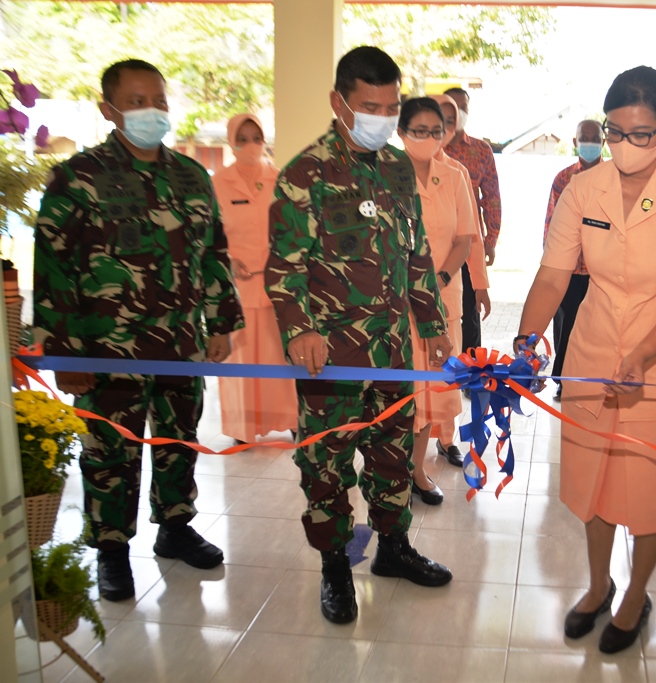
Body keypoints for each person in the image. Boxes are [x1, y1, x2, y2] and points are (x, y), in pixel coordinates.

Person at [517, 66, 656, 654]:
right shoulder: (585, 189)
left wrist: (643, 356)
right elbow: (555, 274)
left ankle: (635, 595)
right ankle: (598, 583)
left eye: (643, 134)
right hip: (594, 351)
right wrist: (529, 337)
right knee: (595, 478)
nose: (627, 146)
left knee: (651, 489)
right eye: (616, 132)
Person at [32, 59, 243, 602]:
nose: (152, 111)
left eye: (159, 100)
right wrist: (65, 354)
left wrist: (221, 321)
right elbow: (53, 268)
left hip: (179, 345)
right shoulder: (78, 177)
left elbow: (215, 253)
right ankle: (112, 550)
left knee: (178, 442)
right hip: (107, 349)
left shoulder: (190, 176)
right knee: (110, 452)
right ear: (109, 110)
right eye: (136, 101)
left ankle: (175, 527)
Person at [264, 46, 454, 626]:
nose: (382, 118)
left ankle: (393, 549)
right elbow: (284, 267)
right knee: (326, 465)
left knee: (393, 456)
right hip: (332, 360)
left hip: (394, 350)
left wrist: (432, 323)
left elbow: (416, 251)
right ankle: (334, 567)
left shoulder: (397, 166)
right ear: (339, 103)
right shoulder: (306, 173)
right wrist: (299, 331)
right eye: (370, 107)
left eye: (391, 107)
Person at [397, 97, 475, 504]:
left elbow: (464, 239)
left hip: (443, 300)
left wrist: (438, 278)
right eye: (418, 130)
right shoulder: (385, 175)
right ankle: (393, 471)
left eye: (436, 130)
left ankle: (417, 471)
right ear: (400, 131)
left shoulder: (454, 175)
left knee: (432, 387)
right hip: (395, 303)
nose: (429, 138)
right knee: (403, 387)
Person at [213, 113, 298, 445]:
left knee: (279, 356)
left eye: (256, 138)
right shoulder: (217, 182)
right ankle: (242, 428)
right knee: (242, 361)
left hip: (276, 284)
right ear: (231, 142)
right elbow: (209, 235)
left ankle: (290, 418)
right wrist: (229, 259)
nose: (250, 145)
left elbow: (293, 230)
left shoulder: (280, 179)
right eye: (242, 138)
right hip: (236, 287)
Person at [430, 93, 491, 468]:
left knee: (446, 368)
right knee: (410, 374)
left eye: (449, 123)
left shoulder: (458, 172)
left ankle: (446, 438)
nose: (442, 130)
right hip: (402, 296)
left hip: (448, 289)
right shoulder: (394, 170)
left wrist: (480, 283)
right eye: (436, 121)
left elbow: (471, 236)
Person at [543, 119, 605, 402]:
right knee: (566, 328)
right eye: (585, 138)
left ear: (604, 142)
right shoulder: (563, 178)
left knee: (597, 329)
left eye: (596, 137)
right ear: (575, 142)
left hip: (603, 272)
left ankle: (595, 381)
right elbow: (551, 224)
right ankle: (564, 381)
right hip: (570, 271)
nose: (590, 142)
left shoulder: (617, 177)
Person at [444, 86, 501, 360]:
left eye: (463, 108)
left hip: (468, 243)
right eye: (451, 108)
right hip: (430, 247)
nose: (457, 113)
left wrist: (490, 240)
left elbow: (491, 198)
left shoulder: (480, 150)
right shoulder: (423, 152)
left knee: (470, 308)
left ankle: (471, 372)